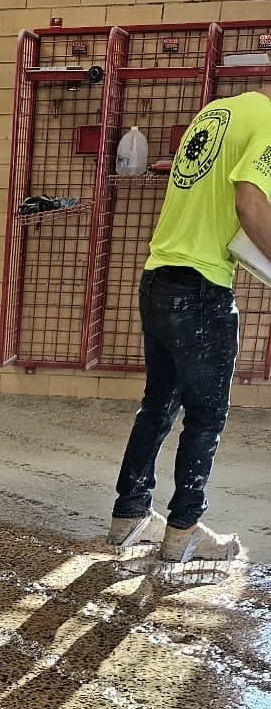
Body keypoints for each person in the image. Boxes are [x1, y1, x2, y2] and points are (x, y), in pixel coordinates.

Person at [108, 87, 271, 562]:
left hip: (158, 276)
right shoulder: (267, 121)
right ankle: (183, 531)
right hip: (201, 290)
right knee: (206, 416)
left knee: (158, 405)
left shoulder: (220, 111)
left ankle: (129, 515)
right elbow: (249, 203)